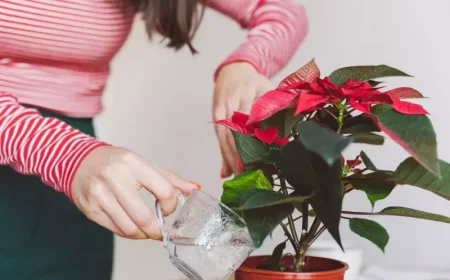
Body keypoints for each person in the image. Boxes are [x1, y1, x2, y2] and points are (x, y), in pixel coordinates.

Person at [0, 0, 308, 279]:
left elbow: (283, 10)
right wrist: (66, 155)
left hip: (75, 189)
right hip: (70, 160)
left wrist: (247, 64)